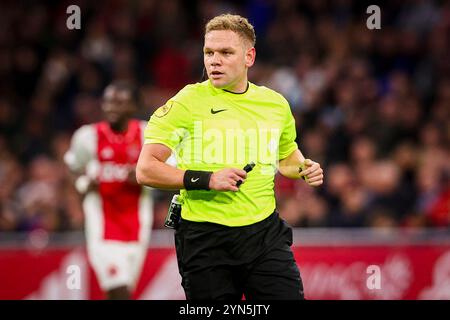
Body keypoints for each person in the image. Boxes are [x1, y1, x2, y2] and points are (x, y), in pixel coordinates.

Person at [136, 14, 324, 300]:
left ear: (249, 57)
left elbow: (286, 156)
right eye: (209, 52)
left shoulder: (275, 104)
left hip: (264, 235)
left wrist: (303, 168)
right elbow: (146, 170)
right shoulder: (186, 102)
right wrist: (208, 179)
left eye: (225, 53)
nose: (214, 60)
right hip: (204, 239)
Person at [64, 81, 157, 299]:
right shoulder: (87, 137)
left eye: (120, 102)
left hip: (137, 225)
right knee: (119, 289)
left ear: (134, 106)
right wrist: (83, 184)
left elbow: (169, 168)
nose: (111, 107)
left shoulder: (148, 135)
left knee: (121, 291)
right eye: (108, 101)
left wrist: (146, 176)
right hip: (102, 226)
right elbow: (72, 169)